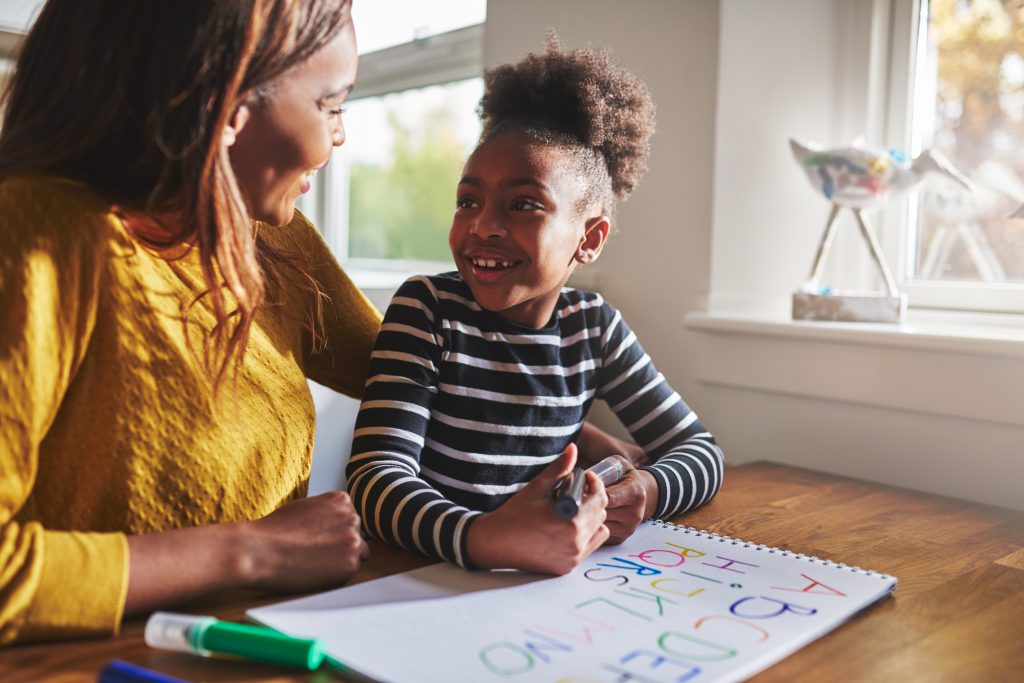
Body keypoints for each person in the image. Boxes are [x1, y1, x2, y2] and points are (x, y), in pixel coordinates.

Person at [0, 0, 378, 643]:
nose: (338, 138)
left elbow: (412, 374)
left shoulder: (267, 236)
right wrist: (250, 550)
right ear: (225, 105)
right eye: (330, 105)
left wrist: (591, 456)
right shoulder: (34, 236)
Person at [347, 38, 725, 576]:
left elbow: (702, 452)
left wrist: (648, 490)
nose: (482, 226)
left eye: (523, 205)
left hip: (537, 596)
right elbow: (376, 478)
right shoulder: (429, 309)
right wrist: (485, 538)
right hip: (426, 579)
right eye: (468, 201)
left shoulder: (593, 329)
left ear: (589, 239)